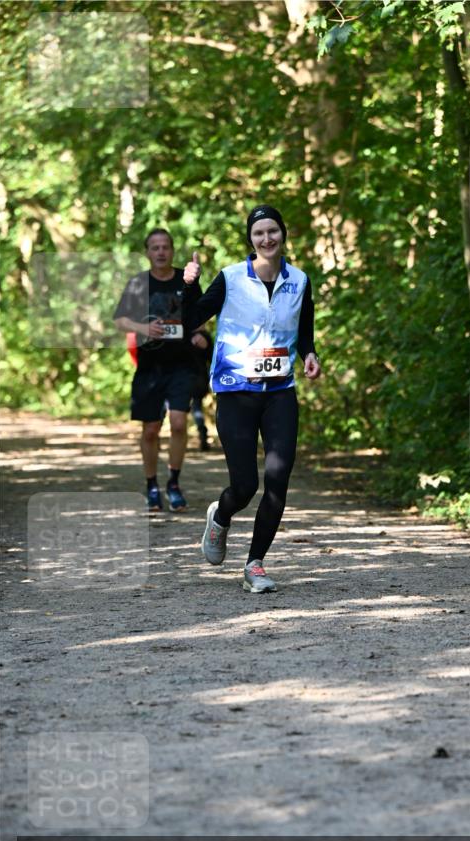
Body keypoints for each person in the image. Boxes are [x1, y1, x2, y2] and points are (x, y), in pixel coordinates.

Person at [182, 205, 321, 593]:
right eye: (259, 233)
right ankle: (220, 516)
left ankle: (255, 564)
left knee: (278, 480)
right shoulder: (229, 278)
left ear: (283, 234)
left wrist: (310, 354)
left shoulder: (300, 280)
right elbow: (191, 318)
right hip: (235, 391)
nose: (266, 239)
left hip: (280, 392)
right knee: (244, 486)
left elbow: (304, 330)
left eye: (272, 231)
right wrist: (190, 284)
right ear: (250, 239)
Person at [113, 228, 211, 511]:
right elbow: (120, 321)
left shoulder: (186, 280)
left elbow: (200, 318)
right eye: (154, 247)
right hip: (150, 367)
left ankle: (174, 483)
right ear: (147, 252)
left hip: (182, 365)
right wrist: (143, 327)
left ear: (172, 250)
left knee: (179, 423)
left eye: (165, 246)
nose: (160, 252)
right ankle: (152, 484)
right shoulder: (138, 283)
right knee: (151, 430)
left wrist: (199, 334)